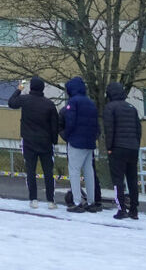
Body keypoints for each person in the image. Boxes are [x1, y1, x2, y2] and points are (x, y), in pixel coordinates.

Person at [8, 77, 60, 209]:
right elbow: (55, 125)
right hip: (46, 142)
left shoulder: (25, 100)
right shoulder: (49, 104)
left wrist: (19, 90)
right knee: (48, 171)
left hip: (29, 141)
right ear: (42, 88)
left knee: (30, 171)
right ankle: (50, 200)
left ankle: (33, 199)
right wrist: (54, 141)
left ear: (30, 88)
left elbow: (11, 103)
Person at [103, 83, 143, 219]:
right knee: (132, 179)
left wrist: (109, 148)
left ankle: (121, 209)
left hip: (118, 148)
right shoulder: (132, 108)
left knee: (118, 180)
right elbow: (138, 129)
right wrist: (136, 145)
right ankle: (134, 209)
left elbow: (109, 129)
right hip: (132, 148)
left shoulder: (110, 108)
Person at [60, 77, 101, 212]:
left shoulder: (73, 102)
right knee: (89, 171)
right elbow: (96, 124)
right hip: (89, 142)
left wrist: (67, 135)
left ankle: (77, 201)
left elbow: (70, 121)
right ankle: (91, 201)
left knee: (74, 171)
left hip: (76, 141)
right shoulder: (91, 103)